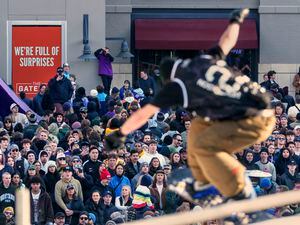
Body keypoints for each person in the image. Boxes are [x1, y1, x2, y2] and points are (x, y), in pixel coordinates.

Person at [105, 9, 275, 204]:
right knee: (198, 124)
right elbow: (227, 40)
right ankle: (202, 179)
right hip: (261, 110)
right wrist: (236, 21)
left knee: (205, 145)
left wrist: (120, 134)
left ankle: (239, 189)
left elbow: (144, 113)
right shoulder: (206, 59)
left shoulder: (179, 84)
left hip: (251, 120)